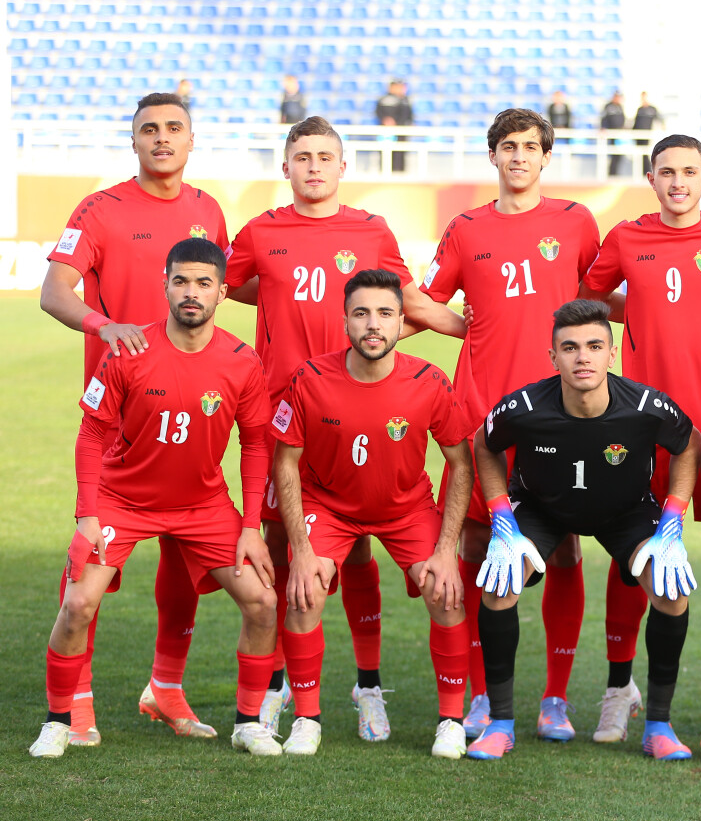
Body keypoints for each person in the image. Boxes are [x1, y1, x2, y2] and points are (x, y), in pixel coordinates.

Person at [224, 116, 465, 743]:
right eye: (301, 156)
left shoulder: (370, 230)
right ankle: (279, 688)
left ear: (341, 166)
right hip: (288, 412)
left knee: (357, 546)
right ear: (285, 166)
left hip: (359, 406)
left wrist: (473, 326)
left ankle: (367, 684)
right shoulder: (261, 230)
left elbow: (405, 301)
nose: (312, 166)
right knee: (287, 559)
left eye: (324, 156)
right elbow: (224, 287)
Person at [30, 238, 280, 759]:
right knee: (77, 603)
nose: (192, 293)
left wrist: (251, 525)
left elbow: (256, 443)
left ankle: (250, 722)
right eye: (181, 281)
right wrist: (86, 517)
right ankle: (57, 721)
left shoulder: (242, 361)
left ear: (222, 291)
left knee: (263, 602)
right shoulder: (128, 350)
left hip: (204, 506)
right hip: (123, 499)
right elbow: (90, 436)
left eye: (204, 283)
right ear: (164, 284)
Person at [40, 91, 229, 746]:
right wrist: (103, 323)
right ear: (134, 140)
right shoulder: (99, 208)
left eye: (174, 127)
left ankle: (166, 688)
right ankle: (78, 697)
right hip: (118, 416)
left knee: (184, 556)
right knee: (88, 563)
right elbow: (54, 289)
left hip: (189, 416)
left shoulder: (208, 210)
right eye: (149, 128)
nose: (161, 138)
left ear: (191, 138)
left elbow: (219, 290)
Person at [579, 134, 701, 746]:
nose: (678, 181)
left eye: (689, 171)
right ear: (651, 177)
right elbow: (591, 294)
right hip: (641, 424)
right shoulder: (627, 237)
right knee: (630, 556)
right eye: (667, 172)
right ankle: (618, 689)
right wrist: (633, 319)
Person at [420, 108, 600, 743]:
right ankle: (477, 695)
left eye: (530, 146)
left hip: (561, 413)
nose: (519, 156)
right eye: (508, 146)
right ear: (491, 155)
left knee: (566, 546)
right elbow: (427, 302)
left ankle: (554, 698)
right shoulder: (466, 229)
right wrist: (468, 325)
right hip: (483, 410)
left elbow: (599, 305)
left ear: (546, 156)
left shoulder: (576, 222)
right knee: (477, 550)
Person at [466, 299, 701, 761]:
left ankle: (658, 725)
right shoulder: (526, 406)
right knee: (499, 585)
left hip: (626, 510)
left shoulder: (645, 405)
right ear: (552, 357)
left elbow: (689, 444)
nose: (583, 357)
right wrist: (500, 513)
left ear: (612, 354)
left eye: (595, 346)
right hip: (541, 508)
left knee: (673, 593)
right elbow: (483, 443)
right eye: (570, 347)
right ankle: (500, 723)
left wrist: (673, 516)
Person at [270, 269, 474, 757]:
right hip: (330, 507)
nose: (373, 325)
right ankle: (306, 718)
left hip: (405, 509)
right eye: (361, 314)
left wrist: (447, 550)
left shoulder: (428, 380)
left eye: (385, 313)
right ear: (345, 321)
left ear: (403, 321)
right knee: (303, 592)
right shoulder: (310, 379)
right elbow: (286, 462)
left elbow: (461, 464)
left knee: (446, 592)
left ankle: (450, 721)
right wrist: (300, 549)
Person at [375, 79, 414, 173]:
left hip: (401, 131)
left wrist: (407, 123)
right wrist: (385, 120)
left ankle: (400, 172)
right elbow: (378, 112)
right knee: (385, 151)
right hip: (386, 131)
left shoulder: (405, 100)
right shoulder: (384, 99)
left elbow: (408, 115)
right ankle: (384, 171)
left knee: (400, 152)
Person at [633, 92, 661, 175]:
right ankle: (643, 172)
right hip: (639, 135)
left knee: (646, 154)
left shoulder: (652, 109)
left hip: (648, 135)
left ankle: (647, 171)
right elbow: (636, 123)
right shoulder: (640, 109)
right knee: (641, 155)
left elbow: (659, 120)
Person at [601, 90, 627, 177]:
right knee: (612, 153)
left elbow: (622, 119)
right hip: (611, 134)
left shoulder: (620, 107)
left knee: (618, 154)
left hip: (619, 135)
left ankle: (615, 173)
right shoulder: (608, 106)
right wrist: (603, 128)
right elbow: (604, 118)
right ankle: (611, 173)